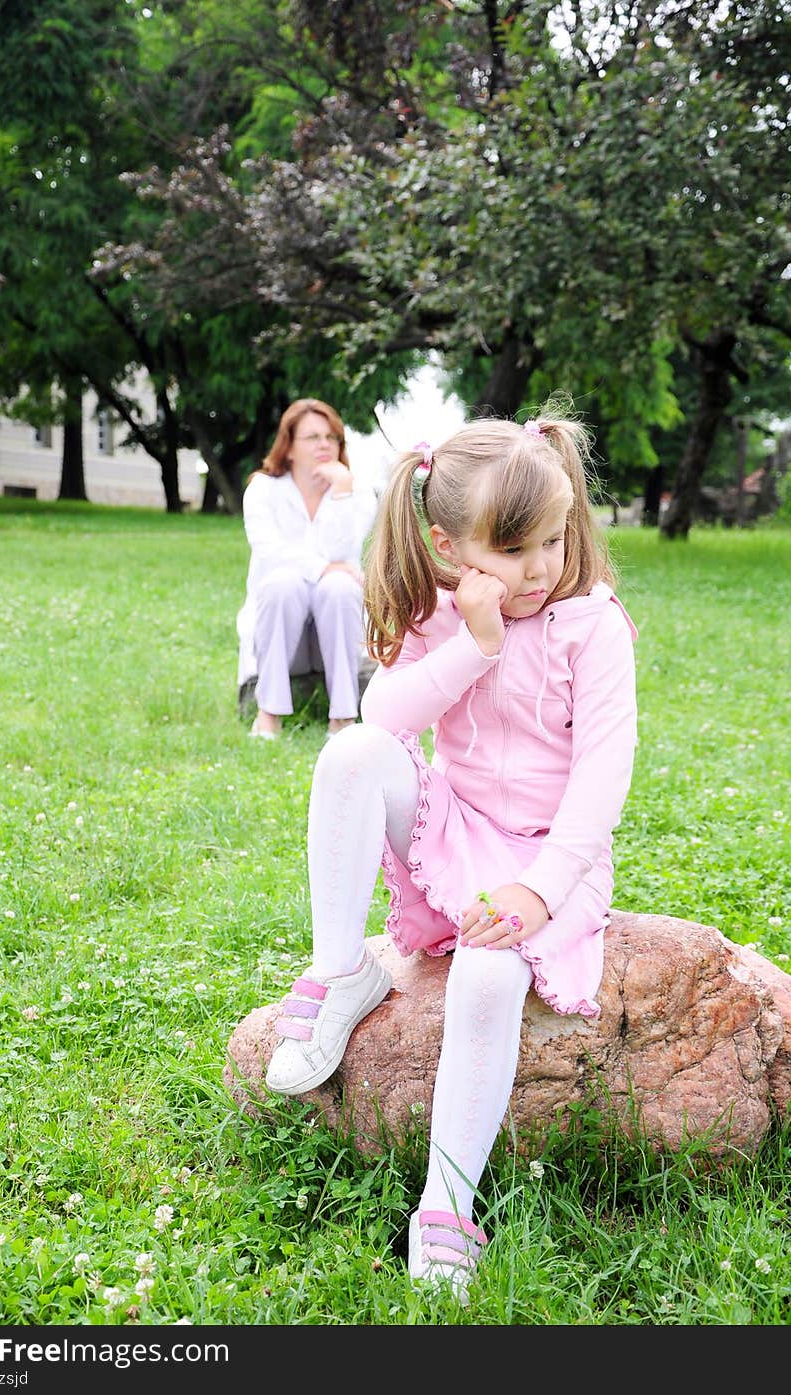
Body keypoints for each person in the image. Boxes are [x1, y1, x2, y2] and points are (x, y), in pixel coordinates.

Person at [262, 406, 638, 1301]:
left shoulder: (594, 626)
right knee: (351, 752)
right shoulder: (443, 619)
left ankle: (447, 1203)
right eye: (513, 551)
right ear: (448, 543)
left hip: (554, 863)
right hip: (459, 829)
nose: (541, 567)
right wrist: (475, 644)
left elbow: (600, 782)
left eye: (553, 540)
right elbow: (385, 721)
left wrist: (539, 893)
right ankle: (339, 971)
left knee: (485, 970)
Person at [237, 397, 378, 739]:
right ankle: (268, 715)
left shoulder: (356, 494)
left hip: (338, 628)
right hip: (281, 632)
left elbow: (346, 554)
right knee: (283, 582)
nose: (324, 445)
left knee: (341, 588)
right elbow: (270, 552)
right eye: (313, 437)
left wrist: (341, 493)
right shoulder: (262, 491)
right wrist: (327, 568)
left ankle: (343, 717)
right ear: (288, 447)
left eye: (332, 438)